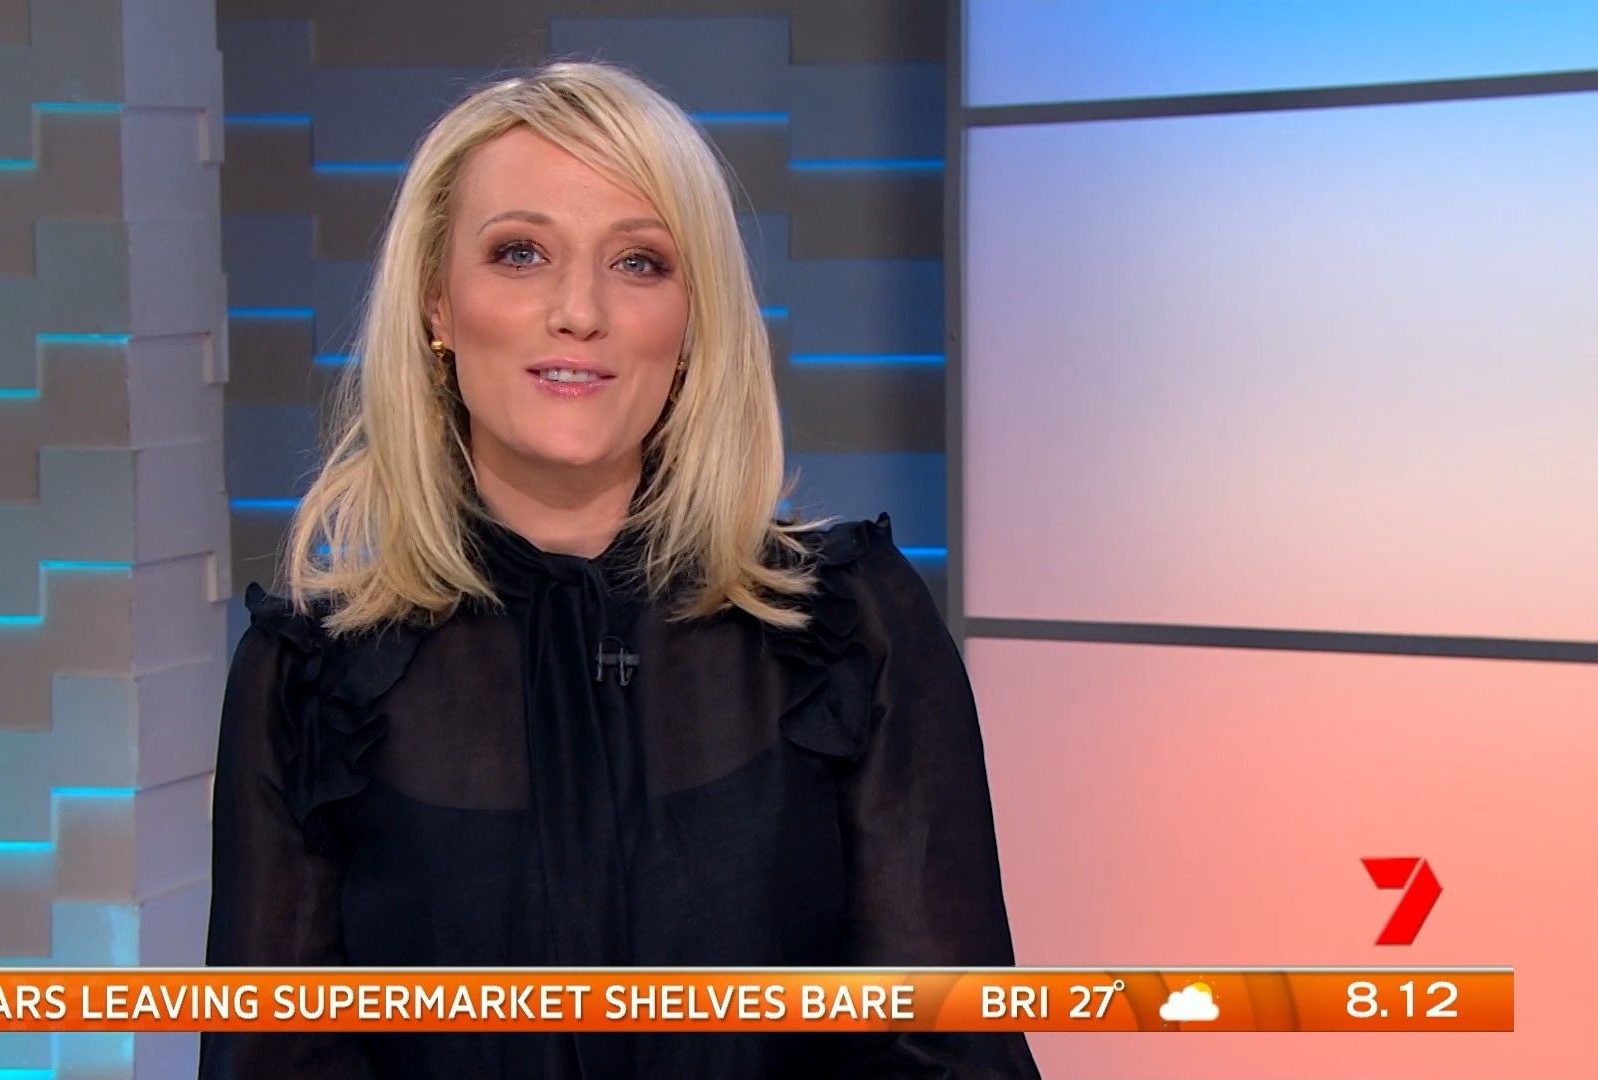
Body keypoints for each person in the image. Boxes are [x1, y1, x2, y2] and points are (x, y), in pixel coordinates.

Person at [199, 60, 1041, 1079]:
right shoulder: (310, 680)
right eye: (519, 253)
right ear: (437, 306)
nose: (579, 310)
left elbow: (952, 1047)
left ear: (691, 322)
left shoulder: (852, 630)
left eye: (639, 262)